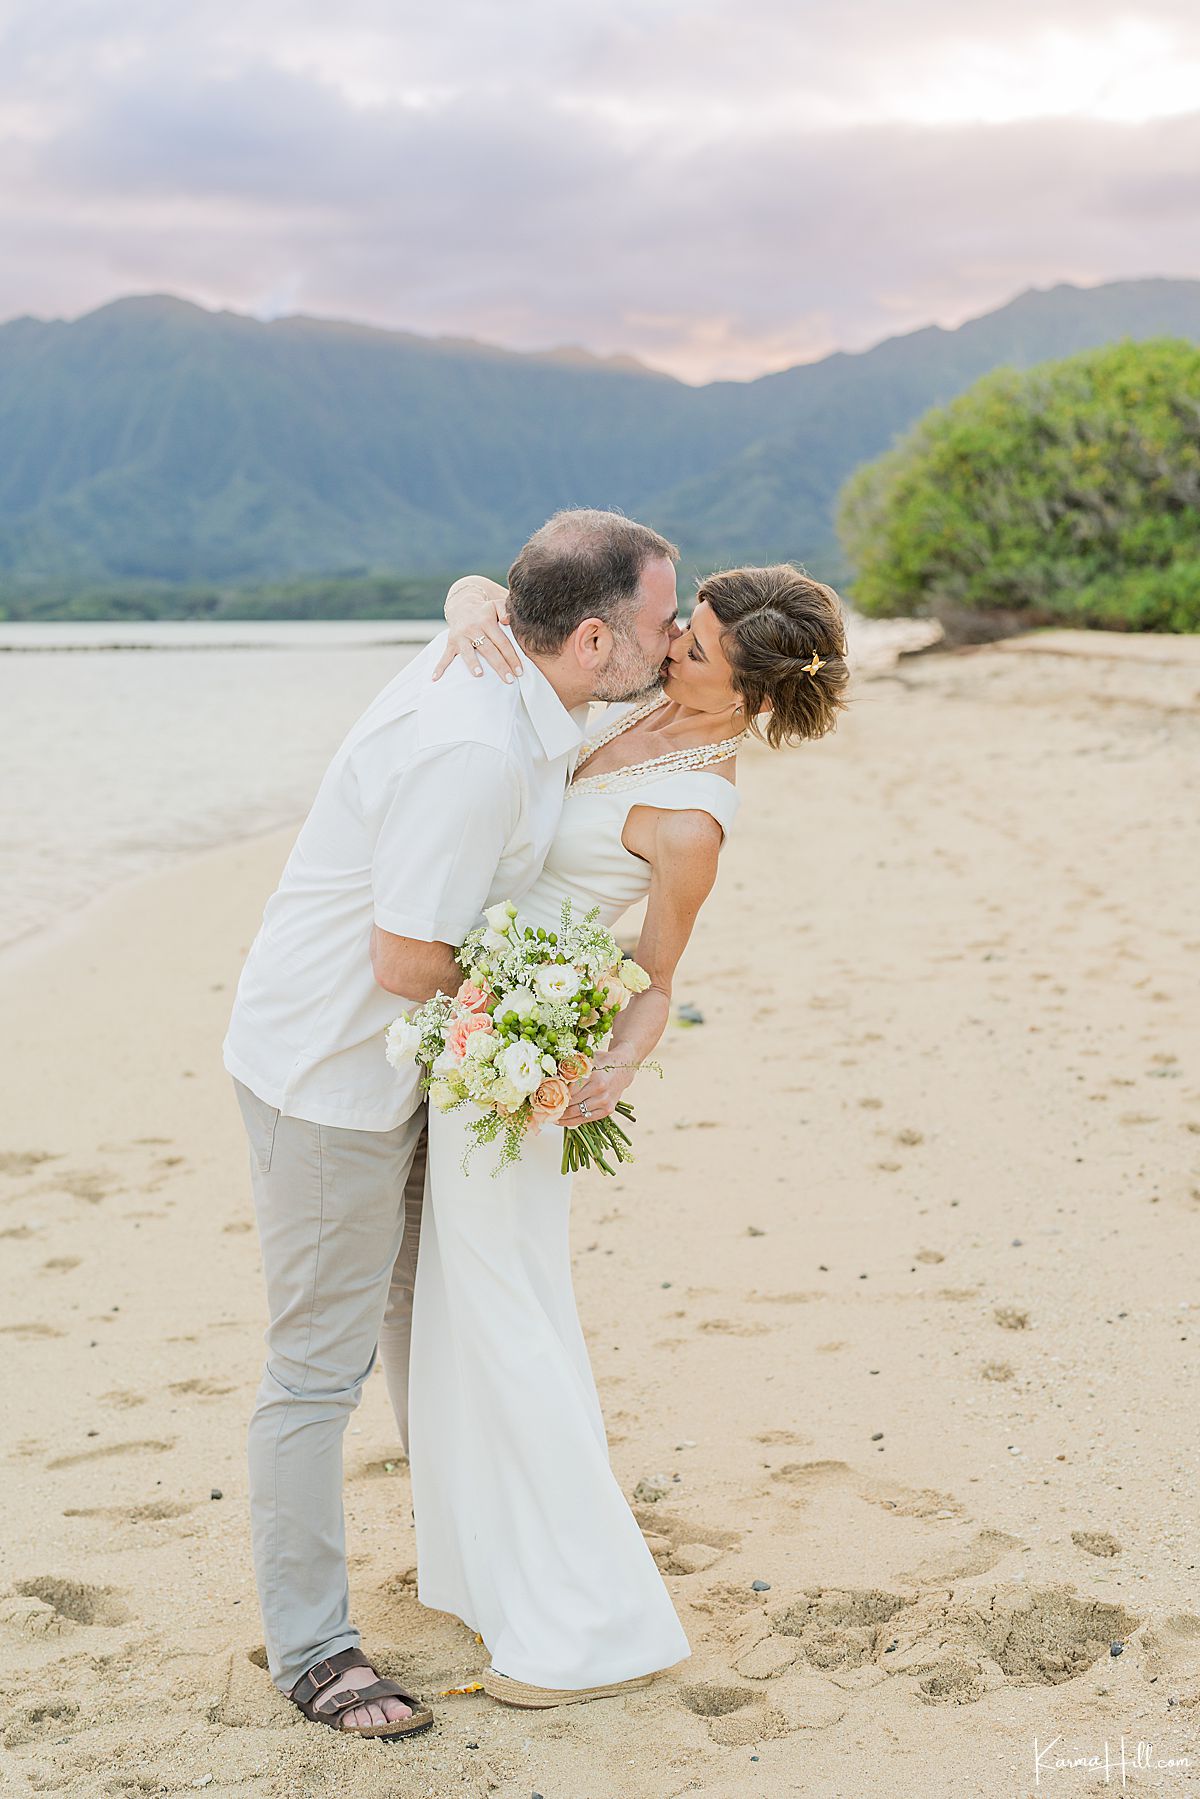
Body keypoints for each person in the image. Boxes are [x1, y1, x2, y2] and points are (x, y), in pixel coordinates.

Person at [221, 509, 681, 1739]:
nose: (674, 636)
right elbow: (408, 955)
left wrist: (468, 589)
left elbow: (491, 590)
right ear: (591, 638)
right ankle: (314, 1646)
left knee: (438, 1319)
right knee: (319, 1365)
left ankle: (478, 1563)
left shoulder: (528, 678)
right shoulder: (475, 743)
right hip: (328, 1075)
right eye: (659, 621)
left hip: (422, 1071)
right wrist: (563, 999)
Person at [388, 560, 849, 1708]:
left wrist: (614, 1064)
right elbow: (510, 598)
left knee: (505, 1306)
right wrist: (464, 601)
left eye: (693, 648)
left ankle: (594, 1621)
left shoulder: (695, 815)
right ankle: (484, 1564)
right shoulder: (639, 700)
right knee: (480, 1296)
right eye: (681, 628)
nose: (669, 648)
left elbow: (655, 977)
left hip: (527, 1052)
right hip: (485, 1018)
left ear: (743, 693)